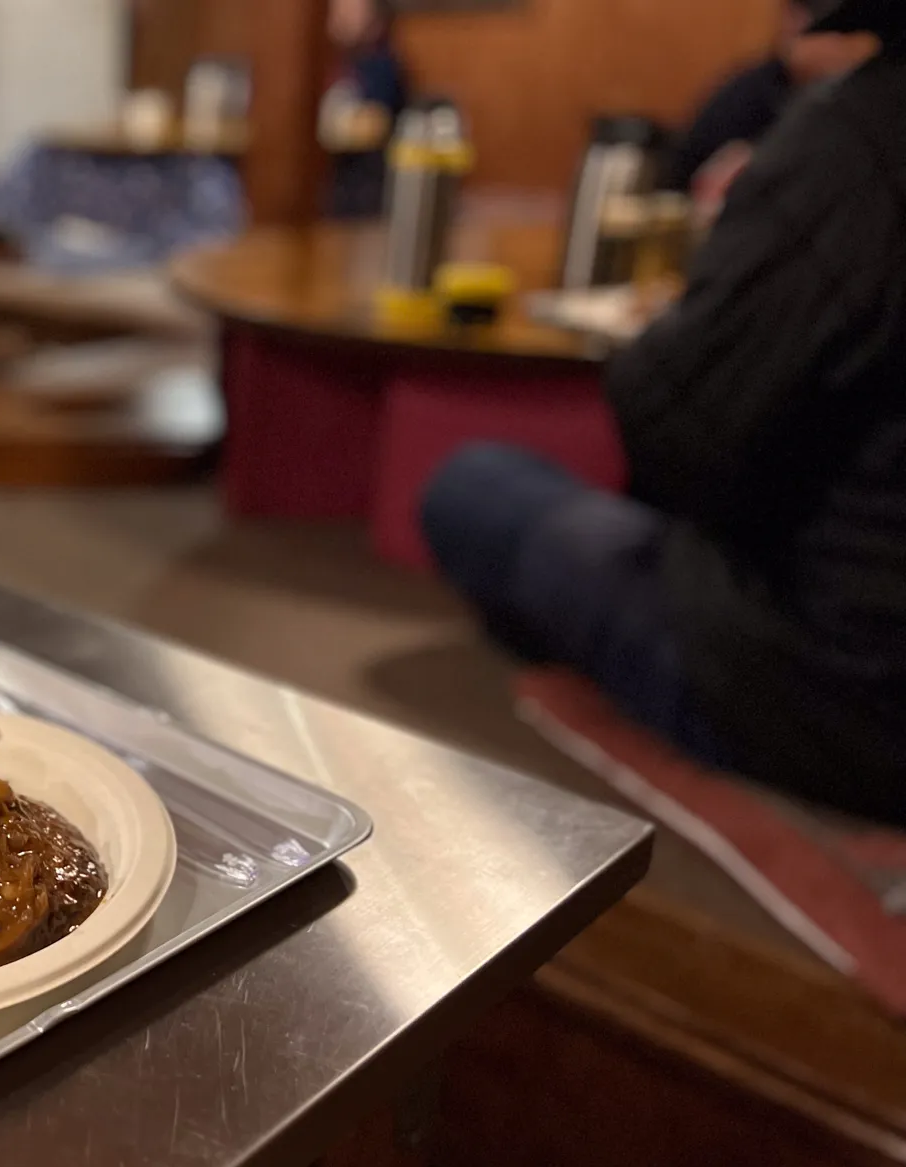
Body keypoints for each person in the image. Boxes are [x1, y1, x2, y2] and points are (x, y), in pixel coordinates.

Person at [418, 0, 906, 825]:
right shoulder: (795, 112)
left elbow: (682, 438)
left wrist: (668, 332)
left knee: (472, 486)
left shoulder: (863, 134)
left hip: (839, 691)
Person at [660, 0, 878, 193]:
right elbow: (686, 173)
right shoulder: (747, 91)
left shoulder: (849, 100)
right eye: (832, 34)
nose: (840, 48)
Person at [319, 0, 408, 219]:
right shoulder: (337, 61)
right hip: (338, 181)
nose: (339, 17)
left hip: (370, 192)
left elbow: (373, 124)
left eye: (350, 9)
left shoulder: (381, 64)